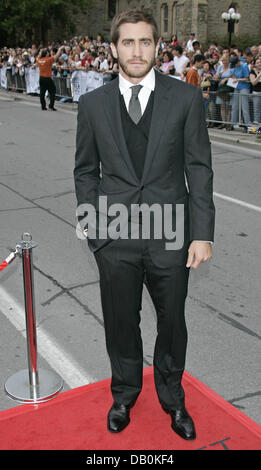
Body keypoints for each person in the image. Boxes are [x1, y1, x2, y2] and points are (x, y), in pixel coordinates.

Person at [74, 9, 215, 441]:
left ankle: (173, 400)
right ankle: (124, 394)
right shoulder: (92, 104)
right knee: (121, 321)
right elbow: (85, 172)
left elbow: (199, 169)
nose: (137, 51)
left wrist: (202, 233)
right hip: (115, 236)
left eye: (146, 42)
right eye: (128, 42)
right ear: (113, 47)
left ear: (158, 46)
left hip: (171, 232)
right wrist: (95, 231)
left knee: (172, 322)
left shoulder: (186, 99)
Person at [249, 56, 261, 123]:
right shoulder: (252, 71)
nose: (259, 64)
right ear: (255, 64)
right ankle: (257, 123)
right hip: (256, 92)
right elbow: (253, 82)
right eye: (258, 63)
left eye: (260, 62)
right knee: (257, 109)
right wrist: (259, 75)